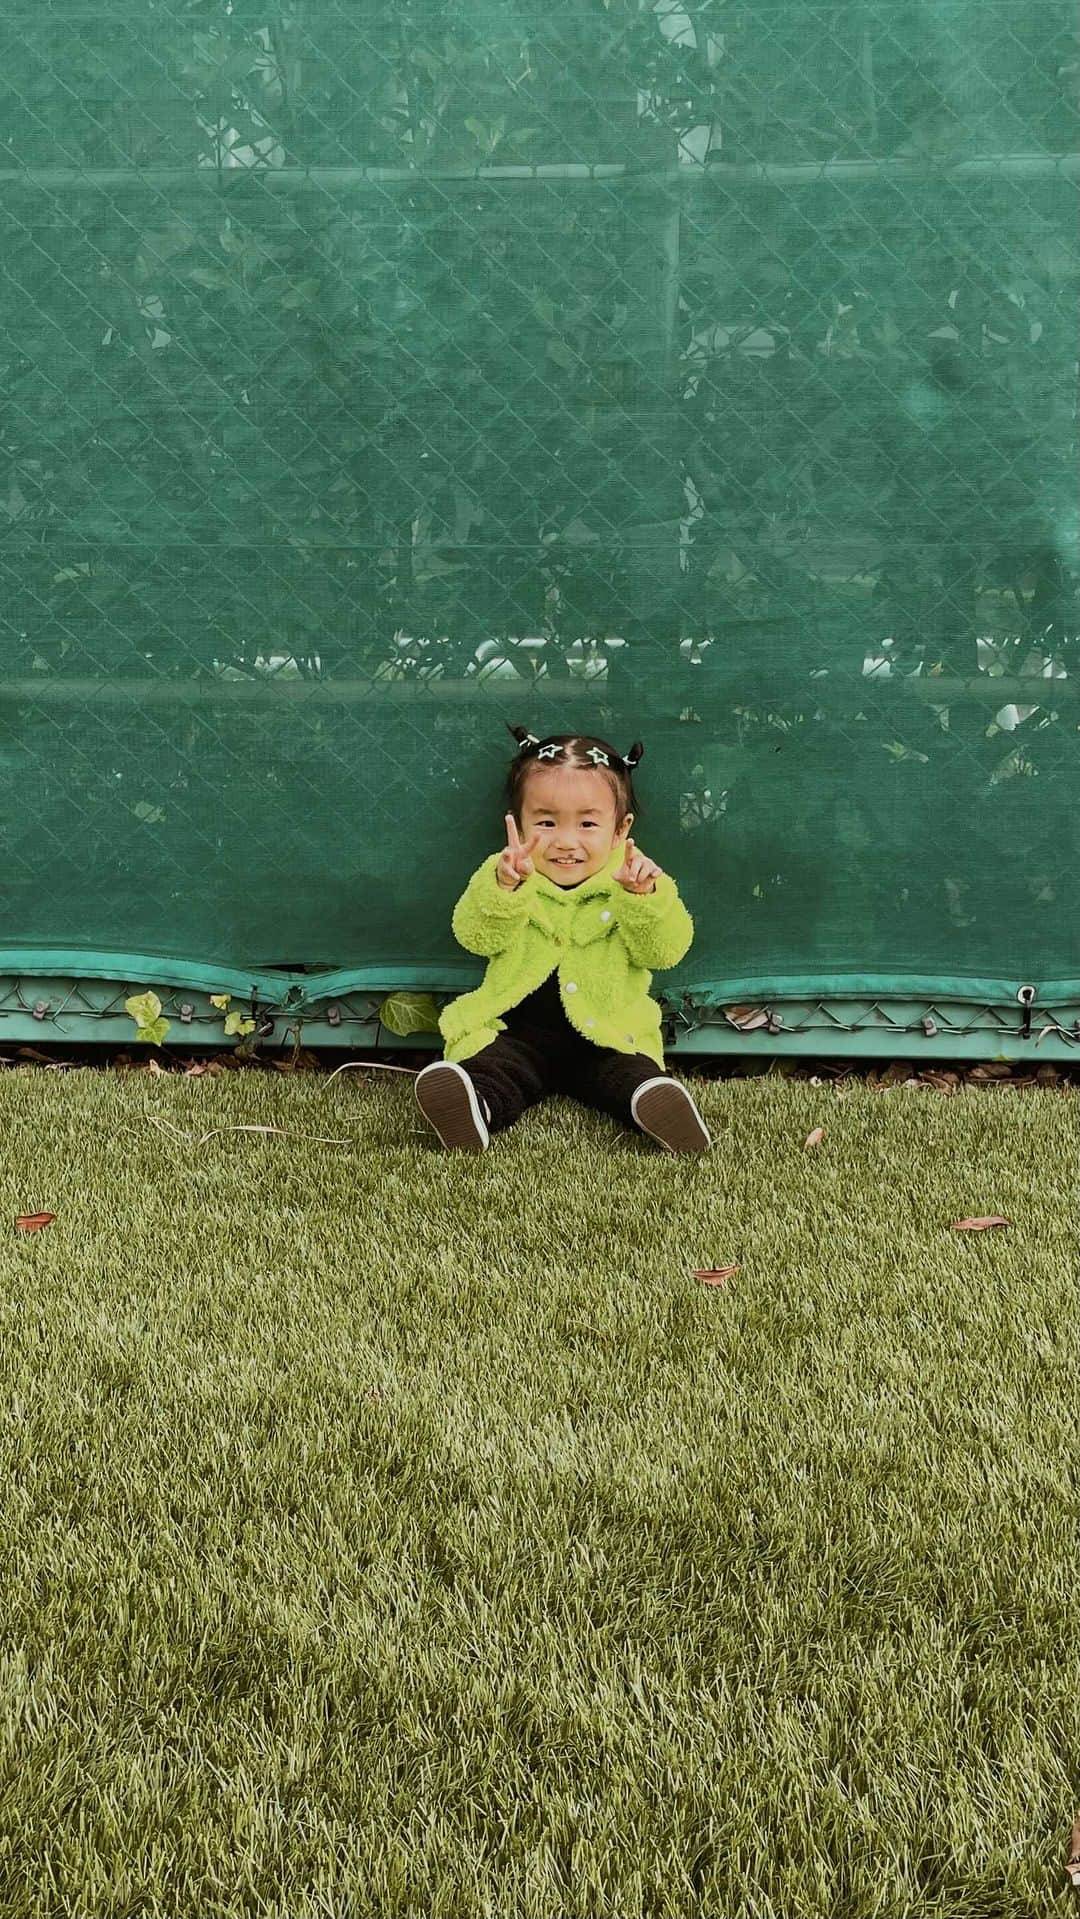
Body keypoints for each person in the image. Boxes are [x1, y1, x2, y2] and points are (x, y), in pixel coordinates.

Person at [414, 726, 711, 1154]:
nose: (565, 842)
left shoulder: (637, 881)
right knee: (496, 1069)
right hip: (518, 1033)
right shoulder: (506, 875)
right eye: (546, 822)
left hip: (606, 1035)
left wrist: (643, 901)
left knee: (625, 1075)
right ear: (518, 823)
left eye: (588, 823)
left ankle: (655, 1105)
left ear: (619, 829)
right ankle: (473, 1107)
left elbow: (664, 952)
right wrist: (504, 890)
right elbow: (474, 936)